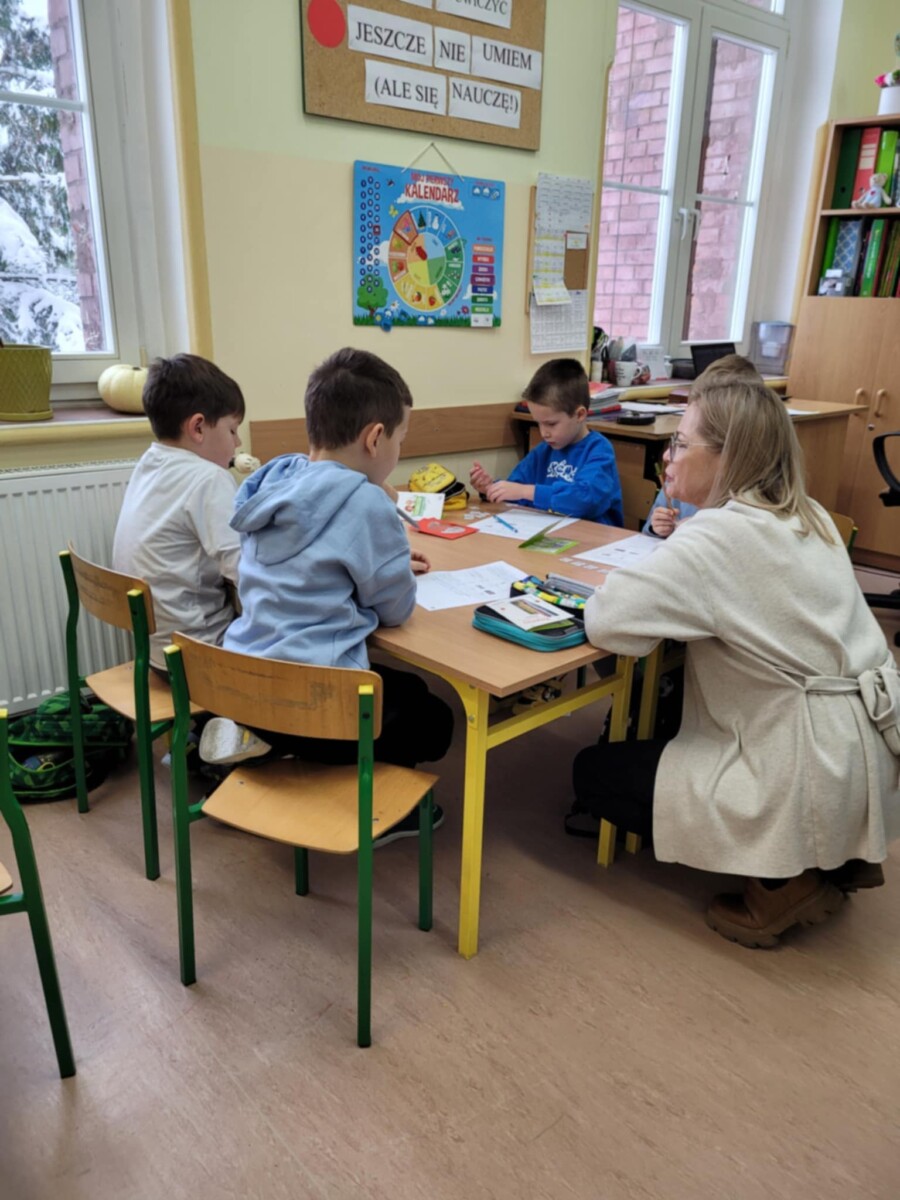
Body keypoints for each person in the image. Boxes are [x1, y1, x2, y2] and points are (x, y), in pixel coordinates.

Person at [571, 377, 900, 947]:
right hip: (865, 747)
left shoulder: (716, 536)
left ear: (728, 457)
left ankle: (783, 884)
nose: (668, 457)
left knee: (593, 774)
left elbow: (607, 620)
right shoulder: (810, 514)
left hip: (803, 764)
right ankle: (838, 850)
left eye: (681, 444)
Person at [205, 347, 454, 843]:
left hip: (247, 685)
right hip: (318, 707)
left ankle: (269, 740)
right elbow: (396, 609)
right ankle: (376, 809)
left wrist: (379, 559)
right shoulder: (366, 502)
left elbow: (313, 565)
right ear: (375, 438)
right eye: (401, 439)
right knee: (434, 718)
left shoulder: (273, 482)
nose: (399, 451)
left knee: (400, 689)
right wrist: (390, 559)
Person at [112, 353, 244, 672]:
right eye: (232, 430)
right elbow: (246, 570)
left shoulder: (150, 462)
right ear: (198, 427)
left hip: (152, 652)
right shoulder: (209, 479)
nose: (238, 443)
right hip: (198, 655)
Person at [470, 358, 623, 526]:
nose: (544, 433)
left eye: (551, 424)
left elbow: (584, 500)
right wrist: (491, 489)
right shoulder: (543, 451)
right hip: (549, 532)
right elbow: (515, 490)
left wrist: (526, 491)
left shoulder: (599, 450)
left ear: (579, 415)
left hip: (592, 537)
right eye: (538, 423)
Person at [644, 354, 763, 538]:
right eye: (678, 443)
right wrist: (656, 527)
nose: (667, 456)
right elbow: (648, 533)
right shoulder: (681, 476)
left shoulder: (746, 506)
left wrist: (698, 532)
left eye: (682, 444)